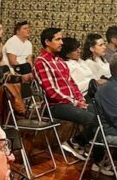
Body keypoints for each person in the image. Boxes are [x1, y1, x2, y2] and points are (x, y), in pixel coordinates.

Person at [34, 27, 94, 160]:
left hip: (69, 102)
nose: (61, 42)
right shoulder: (42, 62)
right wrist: (75, 102)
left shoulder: (59, 61)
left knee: (101, 114)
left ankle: (89, 148)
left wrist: (80, 98)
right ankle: (75, 143)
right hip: (54, 105)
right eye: (58, 39)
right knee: (92, 119)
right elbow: (52, 92)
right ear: (47, 42)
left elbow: (72, 84)